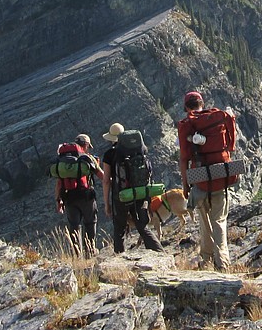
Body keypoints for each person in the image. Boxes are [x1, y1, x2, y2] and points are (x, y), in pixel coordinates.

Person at [177, 90, 233, 271]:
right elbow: (230, 146)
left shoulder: (187, 124)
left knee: (205, 223)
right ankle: (222, 263)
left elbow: (184, 157)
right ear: (203, 102)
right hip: (221, 178)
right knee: (219, 222)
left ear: (186, 107)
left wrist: (185, 185)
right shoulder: (218, 118)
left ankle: (207, 260)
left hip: (200, 180)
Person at [100, 122, 165, 254]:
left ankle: (120, 258)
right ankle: (160, 253)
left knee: (119, 228)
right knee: (142, 226)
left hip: (121, 195)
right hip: (140, 193)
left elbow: (106, 181)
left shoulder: (110, 154)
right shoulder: (141, 149)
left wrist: (107, 204)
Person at [55, 133, 100, 256]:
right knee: (90, 222)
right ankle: (90, 251)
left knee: (74, 226)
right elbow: (101, 176)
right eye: (88, 147)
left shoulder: (64, 161)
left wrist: (58, 200)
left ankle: (76, 254)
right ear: (85, 145)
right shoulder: (88, 158)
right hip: (86, 196)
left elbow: (59, 183)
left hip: (69, 197)